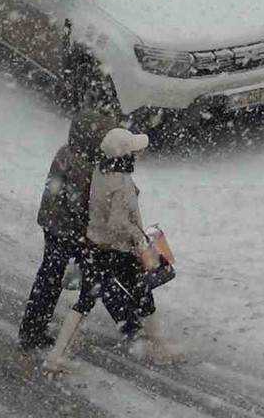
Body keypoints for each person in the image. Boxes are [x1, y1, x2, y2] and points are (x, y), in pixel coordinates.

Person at [43, 127, 179, 373]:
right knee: (137, 292)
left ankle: (58, 355)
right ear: (123, 155)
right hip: (114, 250)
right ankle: (159, 349)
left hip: (97, 247)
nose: (139, 153)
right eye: (134, 150)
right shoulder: (120, 183)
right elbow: (117, 223)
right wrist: (139, 236)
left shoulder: (101, 171)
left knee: (95, 298)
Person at [17, 110, 116, 350]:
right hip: (64, 228)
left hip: (53, 223)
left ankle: (33, 327)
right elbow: (77, 202)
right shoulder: (81, 162)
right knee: (57, 276)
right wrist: (91, 227)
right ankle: (33, 330)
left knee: (50, 275)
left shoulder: (67, 151)